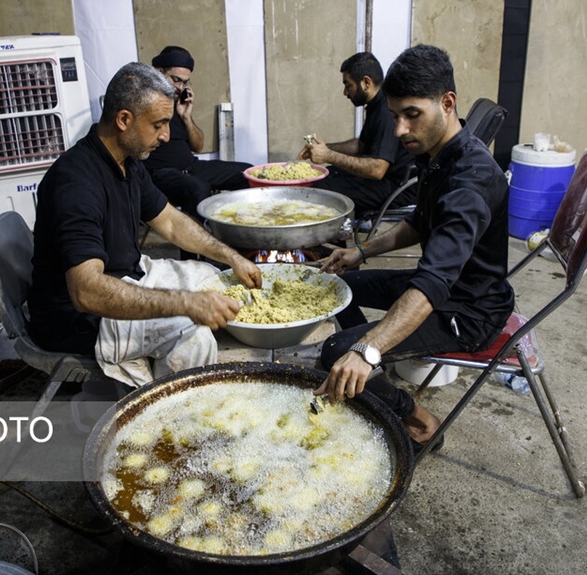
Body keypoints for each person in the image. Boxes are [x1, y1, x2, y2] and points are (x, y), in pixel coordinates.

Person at [313, 45, 515, 452]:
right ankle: (370, 377)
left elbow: (433, 282)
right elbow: (419, 224)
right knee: (340, 285)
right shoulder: (437, 153)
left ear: (447, 103)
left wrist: (367, 350)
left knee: (337, 350)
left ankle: (420, 422)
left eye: (412, 114)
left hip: (469, 311)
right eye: (395, 116)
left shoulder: (470, 182)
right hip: (448, 288)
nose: (400, 129)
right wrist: (361, 253)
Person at [28, 62, 262, 388]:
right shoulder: (76, 183)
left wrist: (231, 257)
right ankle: (168, 415)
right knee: (193, 335)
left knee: (215, 278)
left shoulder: (128, 161)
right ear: (124, 120)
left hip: (129, 275)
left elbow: (171, 222)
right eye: (158, 125)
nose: (166, 135)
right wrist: (186, 303)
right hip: (80, 320)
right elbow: (86, 291)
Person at [296, 52, 415, 214]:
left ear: (366, 82)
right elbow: (360, 145)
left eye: (348, 85)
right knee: (328, 174)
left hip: (395, 186)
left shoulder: (386, 111)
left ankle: (340, 229)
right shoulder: (375, 105)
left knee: (320, 190)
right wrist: (325, 148)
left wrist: (329, 155)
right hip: (383, 179)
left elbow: (377, 169)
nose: (345, 92)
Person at [143, 45, 252, 220]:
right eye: (176, 80)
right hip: (159, 173)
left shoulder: (178, 102)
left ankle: (240, 228)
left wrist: (186, 117)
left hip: (191, 167)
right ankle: (199, 238)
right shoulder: (142, 99)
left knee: (247, 173)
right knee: (198, 189)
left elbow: (198, 146)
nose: (180, 87)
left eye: (185, 82)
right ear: (158, 72)